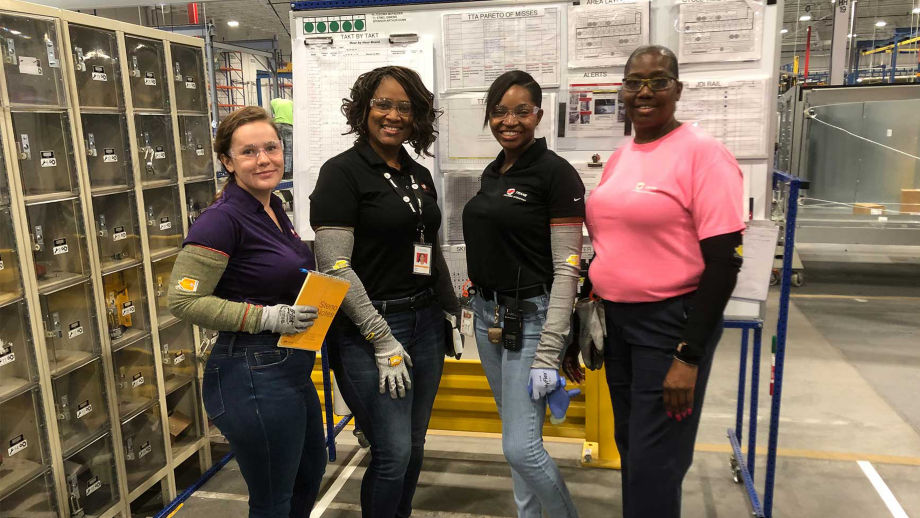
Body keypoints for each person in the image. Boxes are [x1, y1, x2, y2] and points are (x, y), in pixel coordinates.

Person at [585, 45, 744, 518]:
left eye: (658, 81)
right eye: (634, 82)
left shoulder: (703, 154)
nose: (645, 92)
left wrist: (688, 355)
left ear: (678, 89)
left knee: (656, 463)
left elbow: (724, 263)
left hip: (670, 326)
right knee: (633, 450)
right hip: (618, 325)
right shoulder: (622, 155)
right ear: (622, 90)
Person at [309, 66, 459, 518]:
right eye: (383, 104)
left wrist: (450, 309)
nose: (393, 115)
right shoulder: (341, 173)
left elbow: (429, 248)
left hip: (425, 322)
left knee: (414, 445)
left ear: (418, 117)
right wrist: (381, 337)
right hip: (368, 329)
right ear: (363, 109)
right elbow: (334, 267)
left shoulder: (418, 174)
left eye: (405, 107)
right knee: (392, 453)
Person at [167, 106, 326, 518]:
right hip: (251, 371)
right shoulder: (221, 221)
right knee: (273, 500)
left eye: (271, 148)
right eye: (249, 152)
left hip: (288, 366)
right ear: (227, 161)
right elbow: (182, 300)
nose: (264, 160)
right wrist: (266, 316)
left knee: (308, 474)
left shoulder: (273, 208)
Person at [462, 70, 584, 518]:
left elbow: (567, 268)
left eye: (520, 111)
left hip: (531, 320)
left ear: (538, 114)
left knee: (521, 447)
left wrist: (550, 350)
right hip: (488, 318)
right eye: (499, 112)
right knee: (516, 433)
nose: (509, 121)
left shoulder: (557, 175)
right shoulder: (494, 171)